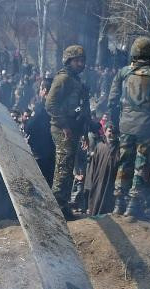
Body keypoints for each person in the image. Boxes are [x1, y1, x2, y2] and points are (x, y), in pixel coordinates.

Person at [107, 36, 150, 218]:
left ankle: (119, 204)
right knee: (142, 165)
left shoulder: (123, 73)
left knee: (124, 164)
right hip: (149, 127)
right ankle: (133, 204)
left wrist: (116, 122)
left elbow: (112, 101)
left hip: (126, 126)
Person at [46, 45, 90, 218]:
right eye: (77, 60)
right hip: (62, 128)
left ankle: (63, 207)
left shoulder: (75, 80)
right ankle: (55, 210)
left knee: (68, 168)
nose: (81, 64)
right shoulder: (63, 79)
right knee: (63, 169)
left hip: (72, 128)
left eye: (82, 61)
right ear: (69, 61)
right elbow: (50, 104)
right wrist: (64, 125)